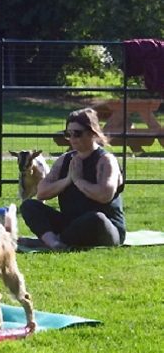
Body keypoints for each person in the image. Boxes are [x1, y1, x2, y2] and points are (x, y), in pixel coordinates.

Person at [20, 107, 125, 250]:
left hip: (104, 228)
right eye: (68, 134)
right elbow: (41, 192)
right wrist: (67, 180)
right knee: (29, 206)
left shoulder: (106, 161)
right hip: (70, 224)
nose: (72, 139)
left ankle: (54, 241)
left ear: (92, 133)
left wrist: (79, 181)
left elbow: (104, 195)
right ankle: (54, 243)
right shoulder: (64, 160)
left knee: (95, 218)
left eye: (77, 133)